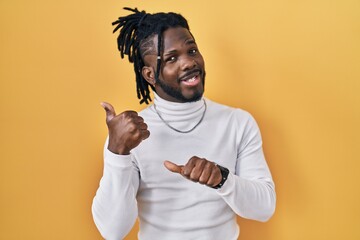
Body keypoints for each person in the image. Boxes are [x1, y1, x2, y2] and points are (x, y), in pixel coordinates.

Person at [92, 7, 276, 240]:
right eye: (171, 58)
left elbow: (264, 208)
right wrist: (117, 153)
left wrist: (222, 179)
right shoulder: (129, 136)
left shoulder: (237, 122)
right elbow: (112, 231)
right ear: (149, 75)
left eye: (192, 50)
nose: (189, 62)